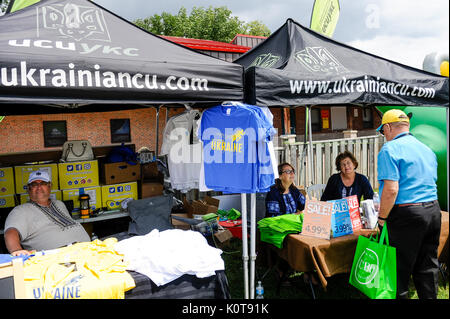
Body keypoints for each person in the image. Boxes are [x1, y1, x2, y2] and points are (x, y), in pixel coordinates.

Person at [376, 109, 441, 299]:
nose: (384, 136)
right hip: (433, 210)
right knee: (427, 267)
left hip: (406, 214)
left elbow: (391, 189)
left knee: (398, 272)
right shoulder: (426, 148)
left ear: (387, 127)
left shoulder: (389, 149)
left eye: (383, 131)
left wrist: (381, 219)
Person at [4, 170, 90, 256]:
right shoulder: (20, 210)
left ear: (50, 186)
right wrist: (16, 250)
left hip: (88, 250)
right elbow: (10, 232)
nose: (39, 187)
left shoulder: (59, 204)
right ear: (28, 189)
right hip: (58, 259)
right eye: (34, 185)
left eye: (43, 183)